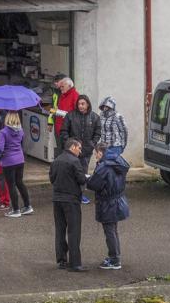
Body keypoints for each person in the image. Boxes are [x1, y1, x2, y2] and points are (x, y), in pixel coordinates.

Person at [86, 142, 130, 270]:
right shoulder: (118, 160)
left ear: (100, 152)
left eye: (95, 154)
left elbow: (94, 184)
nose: (95, 157)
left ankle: (114, 259)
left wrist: (88, 179)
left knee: (110, 231)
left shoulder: (103, 167)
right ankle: (115, 257)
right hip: (118, 200)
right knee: (113, 230)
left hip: (108, 203)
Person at [49, 138, 88, 272]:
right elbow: (81, 179)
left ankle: (61, 260)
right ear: (72, 147)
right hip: (71, 200)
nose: (80, 151)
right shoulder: (75, 161)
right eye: (79, 148)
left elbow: (52, 178)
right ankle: (75, 263)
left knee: (60, 230)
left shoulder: (56, 160)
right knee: (73, 231)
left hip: (57, 199)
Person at [60, 94, 101, 204]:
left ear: (88, 104)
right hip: (72, 152)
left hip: (86, 151)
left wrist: (92, 144)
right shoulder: (70, 115)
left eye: (83, 104)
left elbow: (97, 133)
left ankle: (80, 195)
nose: (80, 106)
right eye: (79, 104)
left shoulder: (95, 117)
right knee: (70, 173)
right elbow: (64, 131)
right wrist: (69, 145)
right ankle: (69, 194)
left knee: (82, 173)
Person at [0, 111, 32, 218]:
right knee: (20, 182)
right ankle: (27, 206)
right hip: (20, 160)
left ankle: (16, 210)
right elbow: (20, 143)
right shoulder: (21, 131)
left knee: (11, 185)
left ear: (7, 119)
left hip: (8, 162)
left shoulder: (3, 132)